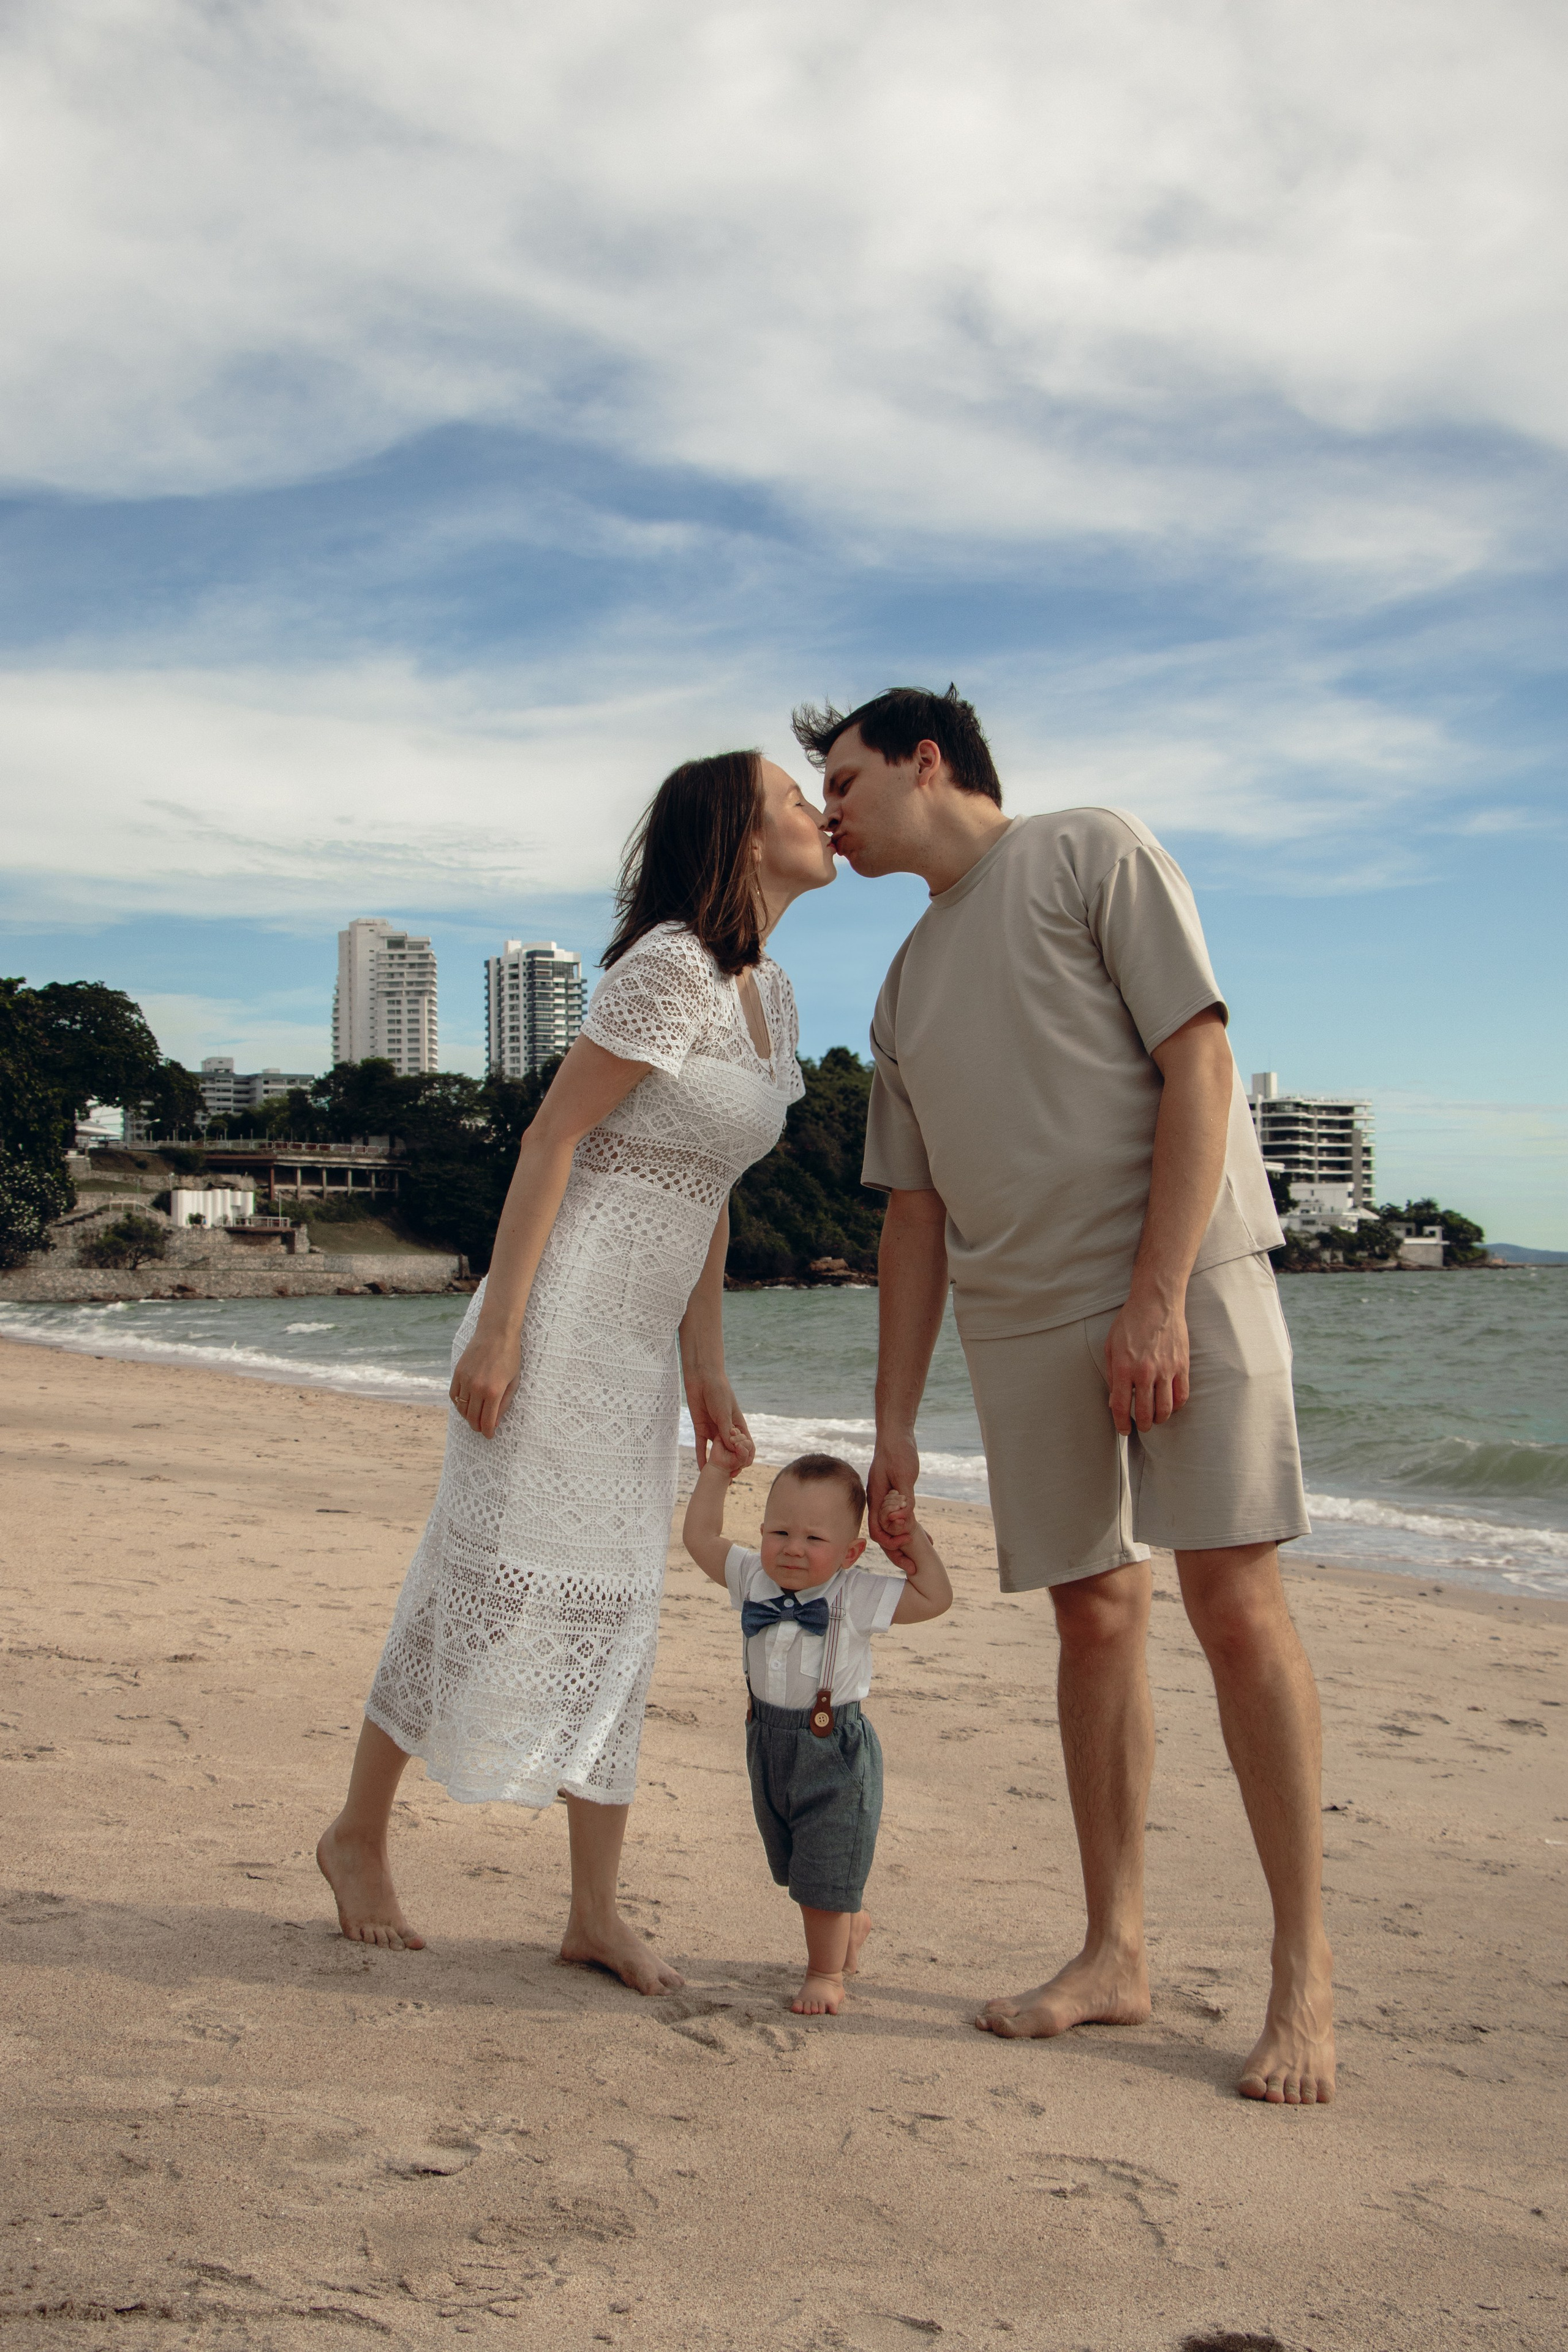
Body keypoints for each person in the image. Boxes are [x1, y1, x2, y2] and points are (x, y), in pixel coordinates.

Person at [793, 685, 1335, 2105]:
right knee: (1094, 1615)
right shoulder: (902, 983)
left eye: (843, 780)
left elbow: (1196, 1057)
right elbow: (910, 1215)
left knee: (1231, 1603)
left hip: (1186, 1276)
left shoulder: (1094, 848)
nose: (828, 813)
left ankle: (1300, 1975)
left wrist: (1155, 1294)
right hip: (1021, 1320)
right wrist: (894, 1423)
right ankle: (1112, 1950)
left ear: (927, 761)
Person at [316, 750, 837, 1992]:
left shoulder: (768, 994)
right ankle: (355, 1835)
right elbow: (555, 1137)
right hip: (555, 1324)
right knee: (482, 1579)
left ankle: (591, 1910)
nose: (819, 814)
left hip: (636, 1349)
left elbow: (703, 1191)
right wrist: (499, 1328)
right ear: (735, 834)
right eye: (791, 800)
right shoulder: (668, 967)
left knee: (617, 1607)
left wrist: (707, 1367)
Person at [682, 1445, 952, 2013]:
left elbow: (935, 1597)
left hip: (835, 1753)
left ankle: (827, 1974)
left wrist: (908, 1538)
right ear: (762, 1532)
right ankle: (849, 1920)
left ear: (852, 1552)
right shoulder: (751, 1577)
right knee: (795, 1862)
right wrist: (716, 1473)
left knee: (826, 1864)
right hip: (768, 1747)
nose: (793, 1550)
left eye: (814, 1539)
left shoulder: (853, 1595)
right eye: (780, 1532)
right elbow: (700, 1539)